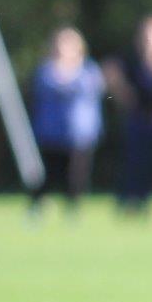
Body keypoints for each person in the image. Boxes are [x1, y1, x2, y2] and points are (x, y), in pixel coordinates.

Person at [28, 27, 105, 218]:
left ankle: (73, 208)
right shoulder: (46, 71)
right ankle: (37, 206)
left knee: (76, 175)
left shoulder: (89, 70)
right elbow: (46, 88)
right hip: (50, 134)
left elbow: (94, 89)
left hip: (79, 134)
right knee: (47, 173)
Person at [103, 14, 152, 214]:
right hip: (136, 120)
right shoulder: (130, 59)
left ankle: (146, 201)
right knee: (132, 163)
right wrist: (121, 93)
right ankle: (127, 201)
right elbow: (112, 74)